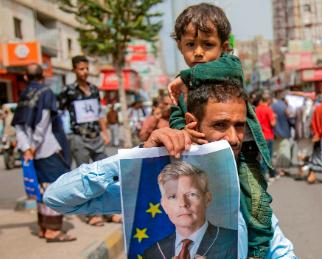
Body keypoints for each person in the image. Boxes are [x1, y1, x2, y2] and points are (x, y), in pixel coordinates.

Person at [44, 81, 296, 258]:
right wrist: (140, 154)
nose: (233, 138)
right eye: (220, 124)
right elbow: (58, 198)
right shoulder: (152, 185)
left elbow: (280, 251)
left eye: (239, 126)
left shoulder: (246, 191)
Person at [165, 4, 276, 257]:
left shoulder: (225, 67)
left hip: (241, 158)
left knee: (256, 204)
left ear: (224, 47)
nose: (199, 53)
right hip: (200, 160)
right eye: (190, 45)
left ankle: (258, 250)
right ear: (180, 46)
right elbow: (175, 115)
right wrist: (183, 131)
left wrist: (187, 75)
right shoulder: (182, 90)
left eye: (207, 44)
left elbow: (231, 68)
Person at [12, 64, 75, 242]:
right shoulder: (46, 92)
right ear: (44, 76)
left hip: (33, 153)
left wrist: (26, 148)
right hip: (48, 150)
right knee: (55, 188)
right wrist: (33, 145)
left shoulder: (24, 95)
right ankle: (52, 230)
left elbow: (19, 125)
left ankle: (43, 228)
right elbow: (43, 123)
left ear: (25, 77)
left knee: (41, 188)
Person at [59, 55, 119, 226]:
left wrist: (105, 132)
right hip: (79, 138)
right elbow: (59, 114)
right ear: (74, 70)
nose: (84, 72)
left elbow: (99, 112)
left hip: (96, 137)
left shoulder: (93, 89)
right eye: (80, 69)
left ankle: (110, 212)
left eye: (86, 68)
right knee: (86, 178)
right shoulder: (68, 91)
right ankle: (93, 214)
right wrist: (66, 136)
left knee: (107, 175)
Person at [144, 160, 237, 258]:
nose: (183, 203)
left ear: (207, 199)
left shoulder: (234, 241)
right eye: (173, 196)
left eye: (191, 194)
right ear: (164, 205)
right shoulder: (153, 253)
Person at [255, 92, 277, 181]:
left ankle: (264, 173)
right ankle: (266, 174)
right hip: (268, 136)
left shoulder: (256, 109)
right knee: (267, 156)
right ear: (268, 100)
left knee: (261, 155)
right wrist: (275, 118)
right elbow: (273, 123)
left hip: (259, 136)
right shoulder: (268, 109)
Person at [271, 93, 291, 173]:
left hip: (275, 132)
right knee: (284, 150)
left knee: (276, 150)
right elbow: (289, 117)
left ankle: (275, 168)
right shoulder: (285, 106)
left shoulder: (272, 106)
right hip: (284, 131)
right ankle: (282, 169)